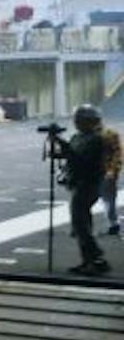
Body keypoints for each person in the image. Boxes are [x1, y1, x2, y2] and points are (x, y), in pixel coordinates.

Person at [56, 104, 109, 275]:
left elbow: (81, 160)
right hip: (78, 183)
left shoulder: (95, 139)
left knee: (80, 224)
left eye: (81, 120)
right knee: (81, 223)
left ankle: (95, 257)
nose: (77, 122)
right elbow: (70, 155)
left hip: (88, 184)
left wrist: (63, 145)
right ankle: (88, 260)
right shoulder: (79, 137)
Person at [102, 115, 122, 237]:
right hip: (94, 172)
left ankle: (113, 223)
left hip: (106, 171)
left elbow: (117, 154)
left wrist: (113, 170)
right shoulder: (84, 137)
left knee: (108, 199)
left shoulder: (109, 135)